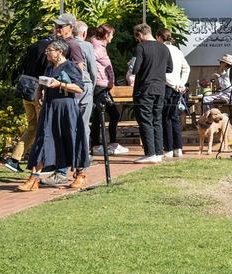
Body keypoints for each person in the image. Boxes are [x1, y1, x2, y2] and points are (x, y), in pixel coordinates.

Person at [17, 39, 85, 191]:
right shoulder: (49, 66)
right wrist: (39, 92)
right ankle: (33, 178)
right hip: (50, 108)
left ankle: (80, 174)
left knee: (71, 139)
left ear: (59, 52)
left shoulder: (70, 67)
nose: (46, 53)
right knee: (43, 140)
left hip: (66, 109)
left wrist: (60, 84)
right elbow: (43, 81)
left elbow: (80, 89)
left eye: (50, 50)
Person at [3, 23, 56, 172]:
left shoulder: (33, 46)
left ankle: (14, 159)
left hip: (26, 89)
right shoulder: (51, 50)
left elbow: (22, 66)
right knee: (44, 128)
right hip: (38, 91)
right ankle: (41, 163)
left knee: (32, 127)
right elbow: (47, 70)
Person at [130, 23, 171, 163]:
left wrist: (131, 64)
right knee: (157, 120)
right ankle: (159, 152)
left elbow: (135, 69)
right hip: (160, 88)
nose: (138, 40)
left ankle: (150, 153)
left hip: (144, 89)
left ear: (140, 34)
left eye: (137, 37)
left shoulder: (141, 47)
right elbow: (169, 68)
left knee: (145, 121)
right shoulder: (164, 47)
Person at [87, 24, 126, 155]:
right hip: (99, 85)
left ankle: (111, 142)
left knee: (112, 114)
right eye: (112, 34)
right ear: (106, 35)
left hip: (104, 86)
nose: (113, 37)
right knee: (100, 115)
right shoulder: (97, 47)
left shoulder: (101, 47)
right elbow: (89, 62)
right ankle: (96, 144)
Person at [70, 21, 99, 180]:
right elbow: (93, 69)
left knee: (72, 124)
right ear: (84, 33)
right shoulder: (86, 46)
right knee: (83, 124)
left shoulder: (68, 44)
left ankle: (72, 160)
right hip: (85, 85)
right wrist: (92, 86)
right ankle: (83, 160)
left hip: (70, 87)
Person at [158, 29, 190, 159]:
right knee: (174, 117)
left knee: (165, 117)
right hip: (178, 87)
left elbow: (162, 71)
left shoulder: (161, 50)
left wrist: (174, 84)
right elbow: (186, 68)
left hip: (167, 87)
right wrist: (181, 83)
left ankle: (169, 148)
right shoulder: (177, 50)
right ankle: (178, 148)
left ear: (158, 37)